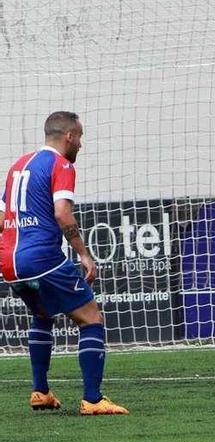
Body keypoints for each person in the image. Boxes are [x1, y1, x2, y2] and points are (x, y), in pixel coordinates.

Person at [0, 111, 128, 414]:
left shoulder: (17, 166)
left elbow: (2, 217)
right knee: (91, 319)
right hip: (41, 258)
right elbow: (62, 213)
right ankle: (93, 399)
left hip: (9, 262)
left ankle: (40, 392)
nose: (81, 145)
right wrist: (83, 253)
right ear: (68, 136)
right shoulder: (61, 164)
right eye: (79, 137)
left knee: (43, 314)